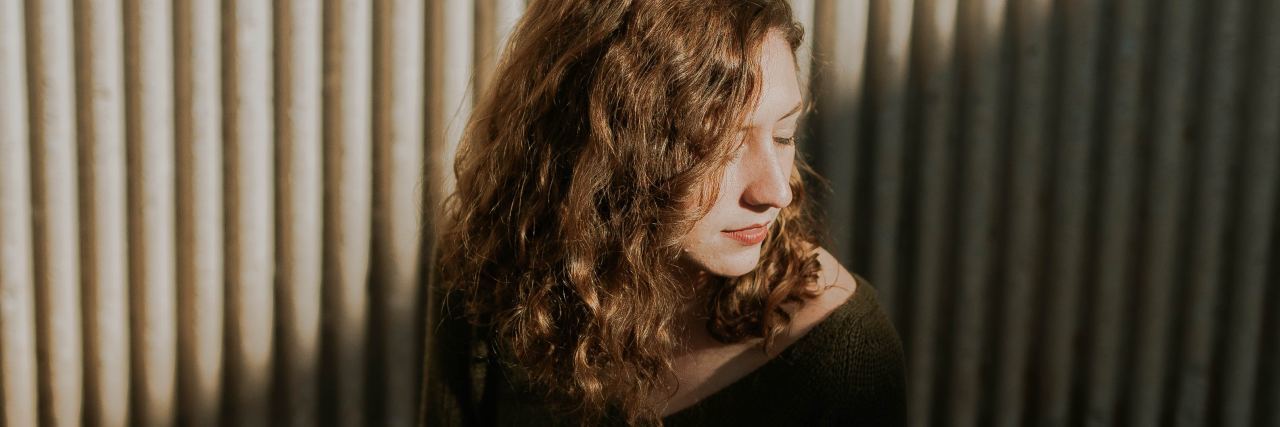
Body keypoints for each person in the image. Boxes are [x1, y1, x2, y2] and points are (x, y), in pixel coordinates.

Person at [420, 0, 906, 425]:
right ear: (597, 148)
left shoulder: (843, 354)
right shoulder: (495, 268)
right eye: (716, 146)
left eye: (783, 135)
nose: (776, 191)